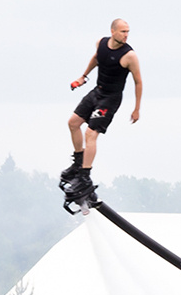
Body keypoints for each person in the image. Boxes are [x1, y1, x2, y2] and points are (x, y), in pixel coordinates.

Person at [61, 19, 145, 199]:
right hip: (97, 92)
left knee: (90, 134)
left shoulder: (129, 56)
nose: (126, 35)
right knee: (73, 123)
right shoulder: (101, 43)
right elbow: (96, 58)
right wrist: (83, 77)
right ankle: (78, 162)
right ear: (113, 31)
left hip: (110, 99)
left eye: (128, 32)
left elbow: (138, 82)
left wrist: (136, 109)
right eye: (123, 31)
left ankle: (84, 175)